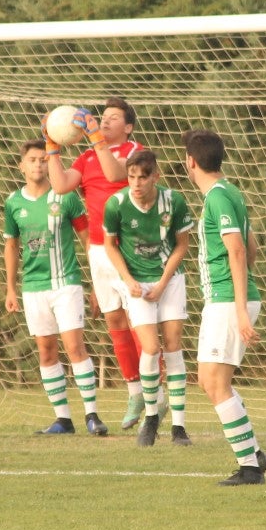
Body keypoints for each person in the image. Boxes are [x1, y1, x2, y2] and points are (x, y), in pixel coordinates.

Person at [45, 97, 147, 430]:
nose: (104, 122)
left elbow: (115, 172)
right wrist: (52, 146)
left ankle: (154, 390)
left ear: (128, 127)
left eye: (113, 118)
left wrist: (95, 140)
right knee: (115, 321)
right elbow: (60, 185)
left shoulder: (135, 152)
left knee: (141, 322)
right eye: (102, 117)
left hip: (131, 248)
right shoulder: (88, 156)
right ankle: (135, 391)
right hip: (100, 251)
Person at [182, 129, 266, 486]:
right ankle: (255, 453)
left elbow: (237, 250)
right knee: (209, 381)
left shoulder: (218, 198)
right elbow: (251, 246)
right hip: (226, 298)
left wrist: (239, 308)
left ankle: (250, 468)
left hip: (226, 301)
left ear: (190, 161)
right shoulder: (230, 191)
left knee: (217, 384)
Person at [4, 138, 108, 436]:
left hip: (67, 284)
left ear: (50, 163)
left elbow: (89, 240)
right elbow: (11, 246)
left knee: (74, 346)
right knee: (47, 352)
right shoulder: (13, 203)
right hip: (33, 288)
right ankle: (63, 419)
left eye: (43, 159)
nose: (38, 164)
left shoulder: (66, 197)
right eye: (33, 160)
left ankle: (92, 415)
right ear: (22, 166)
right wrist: (11, 289)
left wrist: (96, 283)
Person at [103, 149, 194, 448]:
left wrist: (163, 282)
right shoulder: (116, 205)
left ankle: (179, 426)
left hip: (169, 278)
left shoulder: (174, 201)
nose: (137, 183)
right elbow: (111, 246)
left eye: (143, 177)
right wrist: (128, 281)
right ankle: (152, 417)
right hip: (136, 283)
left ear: (156, 175)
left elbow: (182, 245)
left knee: (172, 345)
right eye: (131, 177)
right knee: (151, 347)